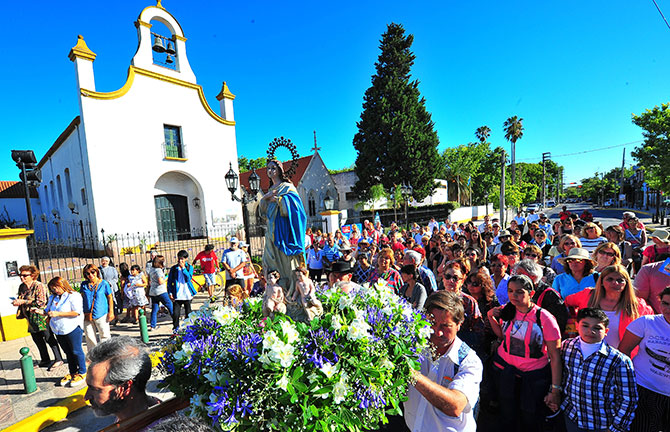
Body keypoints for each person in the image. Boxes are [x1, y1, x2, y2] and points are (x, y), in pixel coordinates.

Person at [486, 274, 562, 432]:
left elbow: (555, 357)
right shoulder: (507, 311)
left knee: (530, 418)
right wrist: (490, 317)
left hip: (533, 378)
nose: (514, 295)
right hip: (507, 373)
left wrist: (555, 389)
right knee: (508, 415)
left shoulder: (544, 318)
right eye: (510, 291)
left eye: (519, 292)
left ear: (531, 294)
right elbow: (502, 336)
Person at [404, 291, 483, 432]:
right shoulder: (414, 347)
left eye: (445, 326)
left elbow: (455, 406)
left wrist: (412, 375)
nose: (437, 332)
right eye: (432, 323)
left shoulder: (469, 361)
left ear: (459, 324)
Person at [557, 308, 638, 432]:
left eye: (597, 328)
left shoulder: (619, 361)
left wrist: (616, 428)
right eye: (585, 326)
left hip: (602, 424)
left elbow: (628, 398)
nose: (590, 331)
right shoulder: (567, 347)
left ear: (606, 331)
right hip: (572, 417)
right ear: (577, 326)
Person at [618, 287, 670, 432]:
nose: (668, 309)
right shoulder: (646, 322)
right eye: (665, 303)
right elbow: (623, 352)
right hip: (644, 390)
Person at [564, 264, 653, 349]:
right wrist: (574, 321)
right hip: (586, 353)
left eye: (620, 280)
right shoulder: (588, 295)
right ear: (601, 281)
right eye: (610, 279)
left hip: (621, 358)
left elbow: (650, 328)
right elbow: (566, 303)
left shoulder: (638, 305)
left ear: (626, 283)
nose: (615, 283)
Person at [258, 159, 307, 296]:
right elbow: (263, 213)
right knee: (270, 260)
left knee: (287, 262)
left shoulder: (287, 187)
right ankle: (276, 293)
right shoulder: (270, 190)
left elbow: (297, 209)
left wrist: (279, 200)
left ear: (280, 170)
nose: (270, 170)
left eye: (274, 168)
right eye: (268, 168)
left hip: (285, 232)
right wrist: (265, 198)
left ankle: (292, 291)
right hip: (272, 230)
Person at [85, 336, 159, 423]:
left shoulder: (158, 426)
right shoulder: (130, 420)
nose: (86, 397)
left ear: (125, 388)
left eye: (95, 389)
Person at [12, 265, 63, 369]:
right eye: (20, 275)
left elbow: (41, 302)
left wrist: (24, 301)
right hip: (30, 318)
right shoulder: (22, 287)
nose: (22, 278)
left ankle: (58, 359)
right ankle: (45, 360)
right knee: (37, 340)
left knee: (49, 338)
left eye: (25, 275)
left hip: (42, 317)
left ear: (33, 276)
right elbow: (21, 297)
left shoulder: (39, 286)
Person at [43, 277, 87, 387]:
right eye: (53, 289)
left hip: (72, 327)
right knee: (67, 352)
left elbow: (76, 312)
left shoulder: (74, 296)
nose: (55, 290)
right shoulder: (53, 297)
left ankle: (82, 372)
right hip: (58, 329)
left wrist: (58, 314)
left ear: (63, 285)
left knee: (76, 350)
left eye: (56, 287)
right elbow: (47, 310)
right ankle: (72, 372)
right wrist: (40, 311)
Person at [513, 259, 569, 336]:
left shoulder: (549, 294)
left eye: (520, 275)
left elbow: (558, 324)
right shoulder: (519, 291)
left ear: (533, 277)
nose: (517, 278)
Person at [81, 263, 115, 348]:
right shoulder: (84, 285)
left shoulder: (104, 284)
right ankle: (93, 355)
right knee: (89, 336)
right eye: (88, 273)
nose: (91, 275)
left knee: (104, 335)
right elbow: (81, 297)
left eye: (93, 272)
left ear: (97, 272)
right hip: (87, 314)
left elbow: (110, 298)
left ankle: (106, 354)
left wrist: (111, 312)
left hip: (101, 313)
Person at [168, 250, 196, 330]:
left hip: (187, 293)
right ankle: (175, 328)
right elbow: (169, 282)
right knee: (176, 313)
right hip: (177, 294)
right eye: (179, 259)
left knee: (188, 312)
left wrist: (183, 268)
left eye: (182, 259)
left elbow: (188, 278)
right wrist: (170, 292)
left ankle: (189, 328)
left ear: (186, 259)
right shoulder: (174, 269)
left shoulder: (189, 267)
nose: (180, 261)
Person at [148, 255, 173, 331]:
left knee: (155, 309)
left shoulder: (151, 269)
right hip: (161, 291)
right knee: (169, 305)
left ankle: (153, 325)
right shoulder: (158, 270)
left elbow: (149, 279)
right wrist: (167, 277)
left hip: (153, 291)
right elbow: (160, 281)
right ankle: (175, 319)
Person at [100, 257, 120, 325]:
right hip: (103, 288)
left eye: (106, 261)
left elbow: (116, 278)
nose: (104, 262)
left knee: (114, 302)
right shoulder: (99, 269)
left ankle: (116, 317)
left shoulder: (112, 269)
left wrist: (110, 283)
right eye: (103, 261)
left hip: (112, 287)